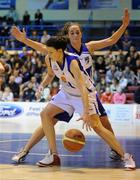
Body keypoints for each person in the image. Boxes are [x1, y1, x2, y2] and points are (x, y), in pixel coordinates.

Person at [11, 9, 130, 162]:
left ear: (81, 34)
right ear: (67, 35)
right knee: (48, 118)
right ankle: (27, 150)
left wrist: (124, 25)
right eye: (71, 33)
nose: (74, 35)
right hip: (67, 92)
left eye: (77, 32)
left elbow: (112, 40)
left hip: (85, 91)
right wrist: (25, 40)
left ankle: (117, 151)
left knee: (103, 123)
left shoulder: (89, 47)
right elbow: (43, 49)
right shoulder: (61, 51)